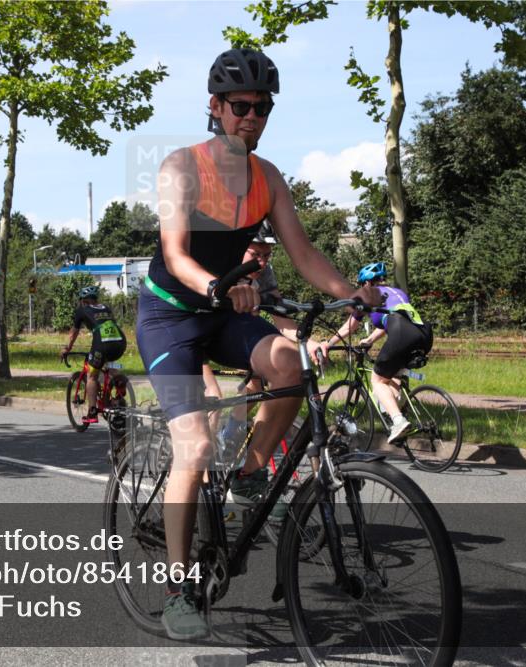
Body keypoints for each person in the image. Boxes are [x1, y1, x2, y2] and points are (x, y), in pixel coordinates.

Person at [135, 48, 380, 640]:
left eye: (262, 107)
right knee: (195, 446)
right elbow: (175, 255)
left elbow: (304, 253)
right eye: (240, 106)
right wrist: (218, 285)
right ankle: (178, 589)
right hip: (170, 316)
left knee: (292, 363)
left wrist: (353, 294)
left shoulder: (267, 178)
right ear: (215, 107)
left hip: (225, 312)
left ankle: (248, 473)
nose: (251, 117)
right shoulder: (181, 167)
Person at [201, 223, 324, 449]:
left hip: (234, 333)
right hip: (198, 333)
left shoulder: (264, 273)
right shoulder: (219, 266)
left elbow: (281, 319)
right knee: (213, 396)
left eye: (267, 255)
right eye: (255, 254)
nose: (262, 262)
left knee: (258, 384)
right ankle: (204, 464)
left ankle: (229, 437)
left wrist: (308, 343)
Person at [318, 262, 433, 442]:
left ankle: (399, 421)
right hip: (424, 333)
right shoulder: (397, 293)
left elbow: (350, 326)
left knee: (377, 380)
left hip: (402, 332)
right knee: (392, 376)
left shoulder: (370, 295)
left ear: (366, 283)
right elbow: (392, 319)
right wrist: (370, 339)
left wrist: (329, 343)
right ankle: (398, 413)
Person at [60, 286, 128, 424]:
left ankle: (92, 412)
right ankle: (118, 382)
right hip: (120, 343)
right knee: (107, 364)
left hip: (102, 345)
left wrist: (67, 348)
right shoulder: (106, 308)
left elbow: (74, 333)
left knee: (92, 376)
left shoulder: (82, 310)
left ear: (83, 301)